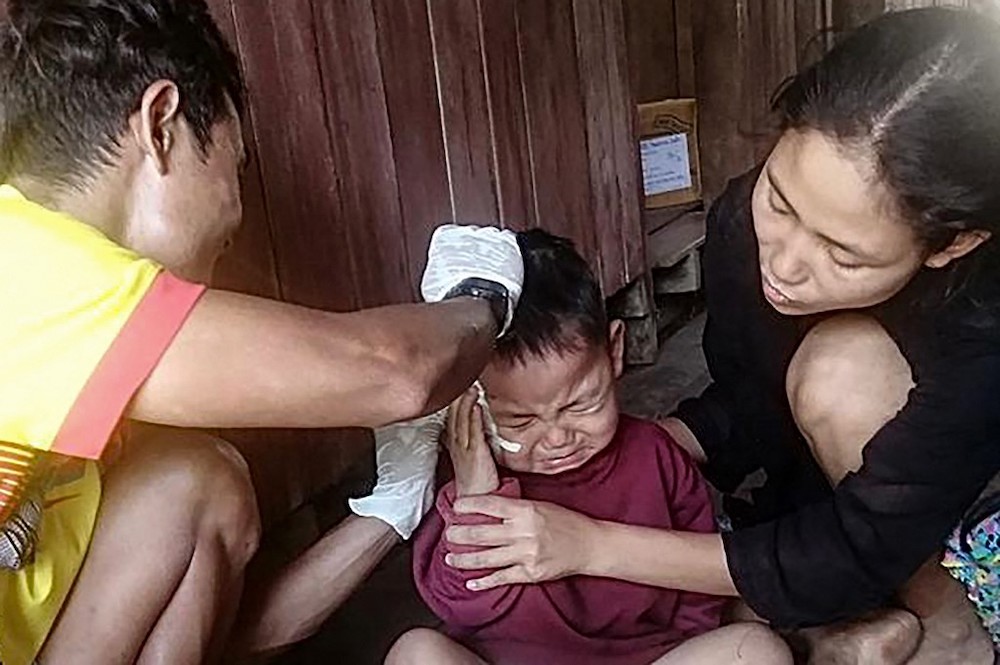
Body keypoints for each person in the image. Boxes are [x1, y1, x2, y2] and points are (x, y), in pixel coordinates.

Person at [441, 8, 1000, 664]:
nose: (782, 264)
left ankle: (955, 626)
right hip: (862, 501)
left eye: (842, 255)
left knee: (840, 373)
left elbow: (854, 549)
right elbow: (755, 394)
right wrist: (637, 446)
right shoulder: (741, 222)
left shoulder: (980, 329)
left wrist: (592, 541)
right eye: (781, 203)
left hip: (965, 503)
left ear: (952, 244)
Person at [0, 2, 523, 664]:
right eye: (234, 163)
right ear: (160, 126)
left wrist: (388, 509)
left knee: (194, 482)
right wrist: (484, 298)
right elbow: (396, 370)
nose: (236, 210)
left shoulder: (66, 355)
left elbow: (238, 637)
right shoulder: (23, 262)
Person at [387, 230, 793, 665]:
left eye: (581, 404)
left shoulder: (658, 457)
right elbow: (456, 606)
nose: (558, 438)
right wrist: (478, 498)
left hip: (643, 658)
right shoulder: (468, 479)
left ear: (614, 351)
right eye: (519, 421)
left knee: (755, 650)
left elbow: (697, 596)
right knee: (417, 653)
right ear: (471, 402)